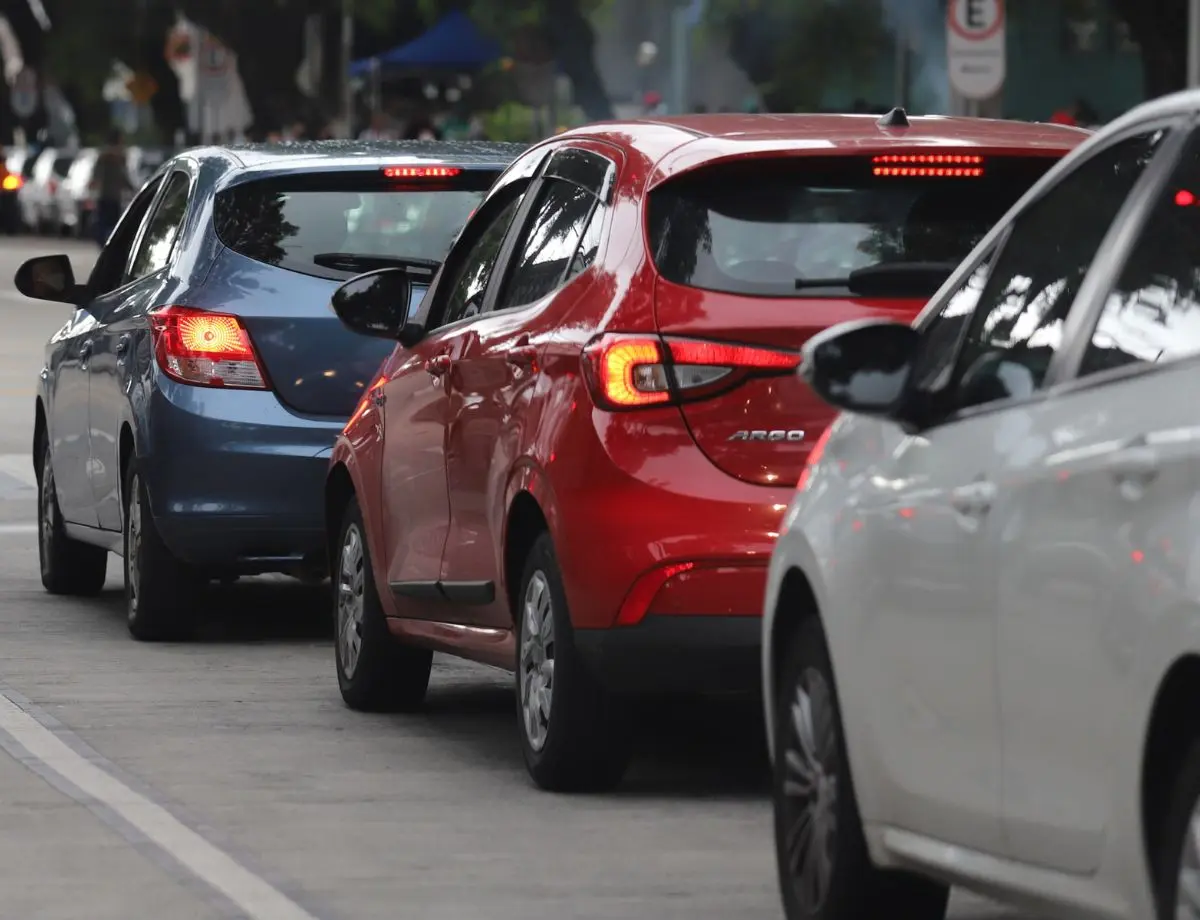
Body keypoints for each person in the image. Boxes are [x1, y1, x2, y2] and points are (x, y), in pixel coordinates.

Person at [89, 129, 132, 246]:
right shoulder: (121, 156)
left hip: (104, 195)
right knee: (113, 225)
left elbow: (95, 176)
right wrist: (132, 188)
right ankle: (110, 245)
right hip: (114, 196)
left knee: (103, 224)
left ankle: (104, 245)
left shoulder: (103, 156)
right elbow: (123, 176)